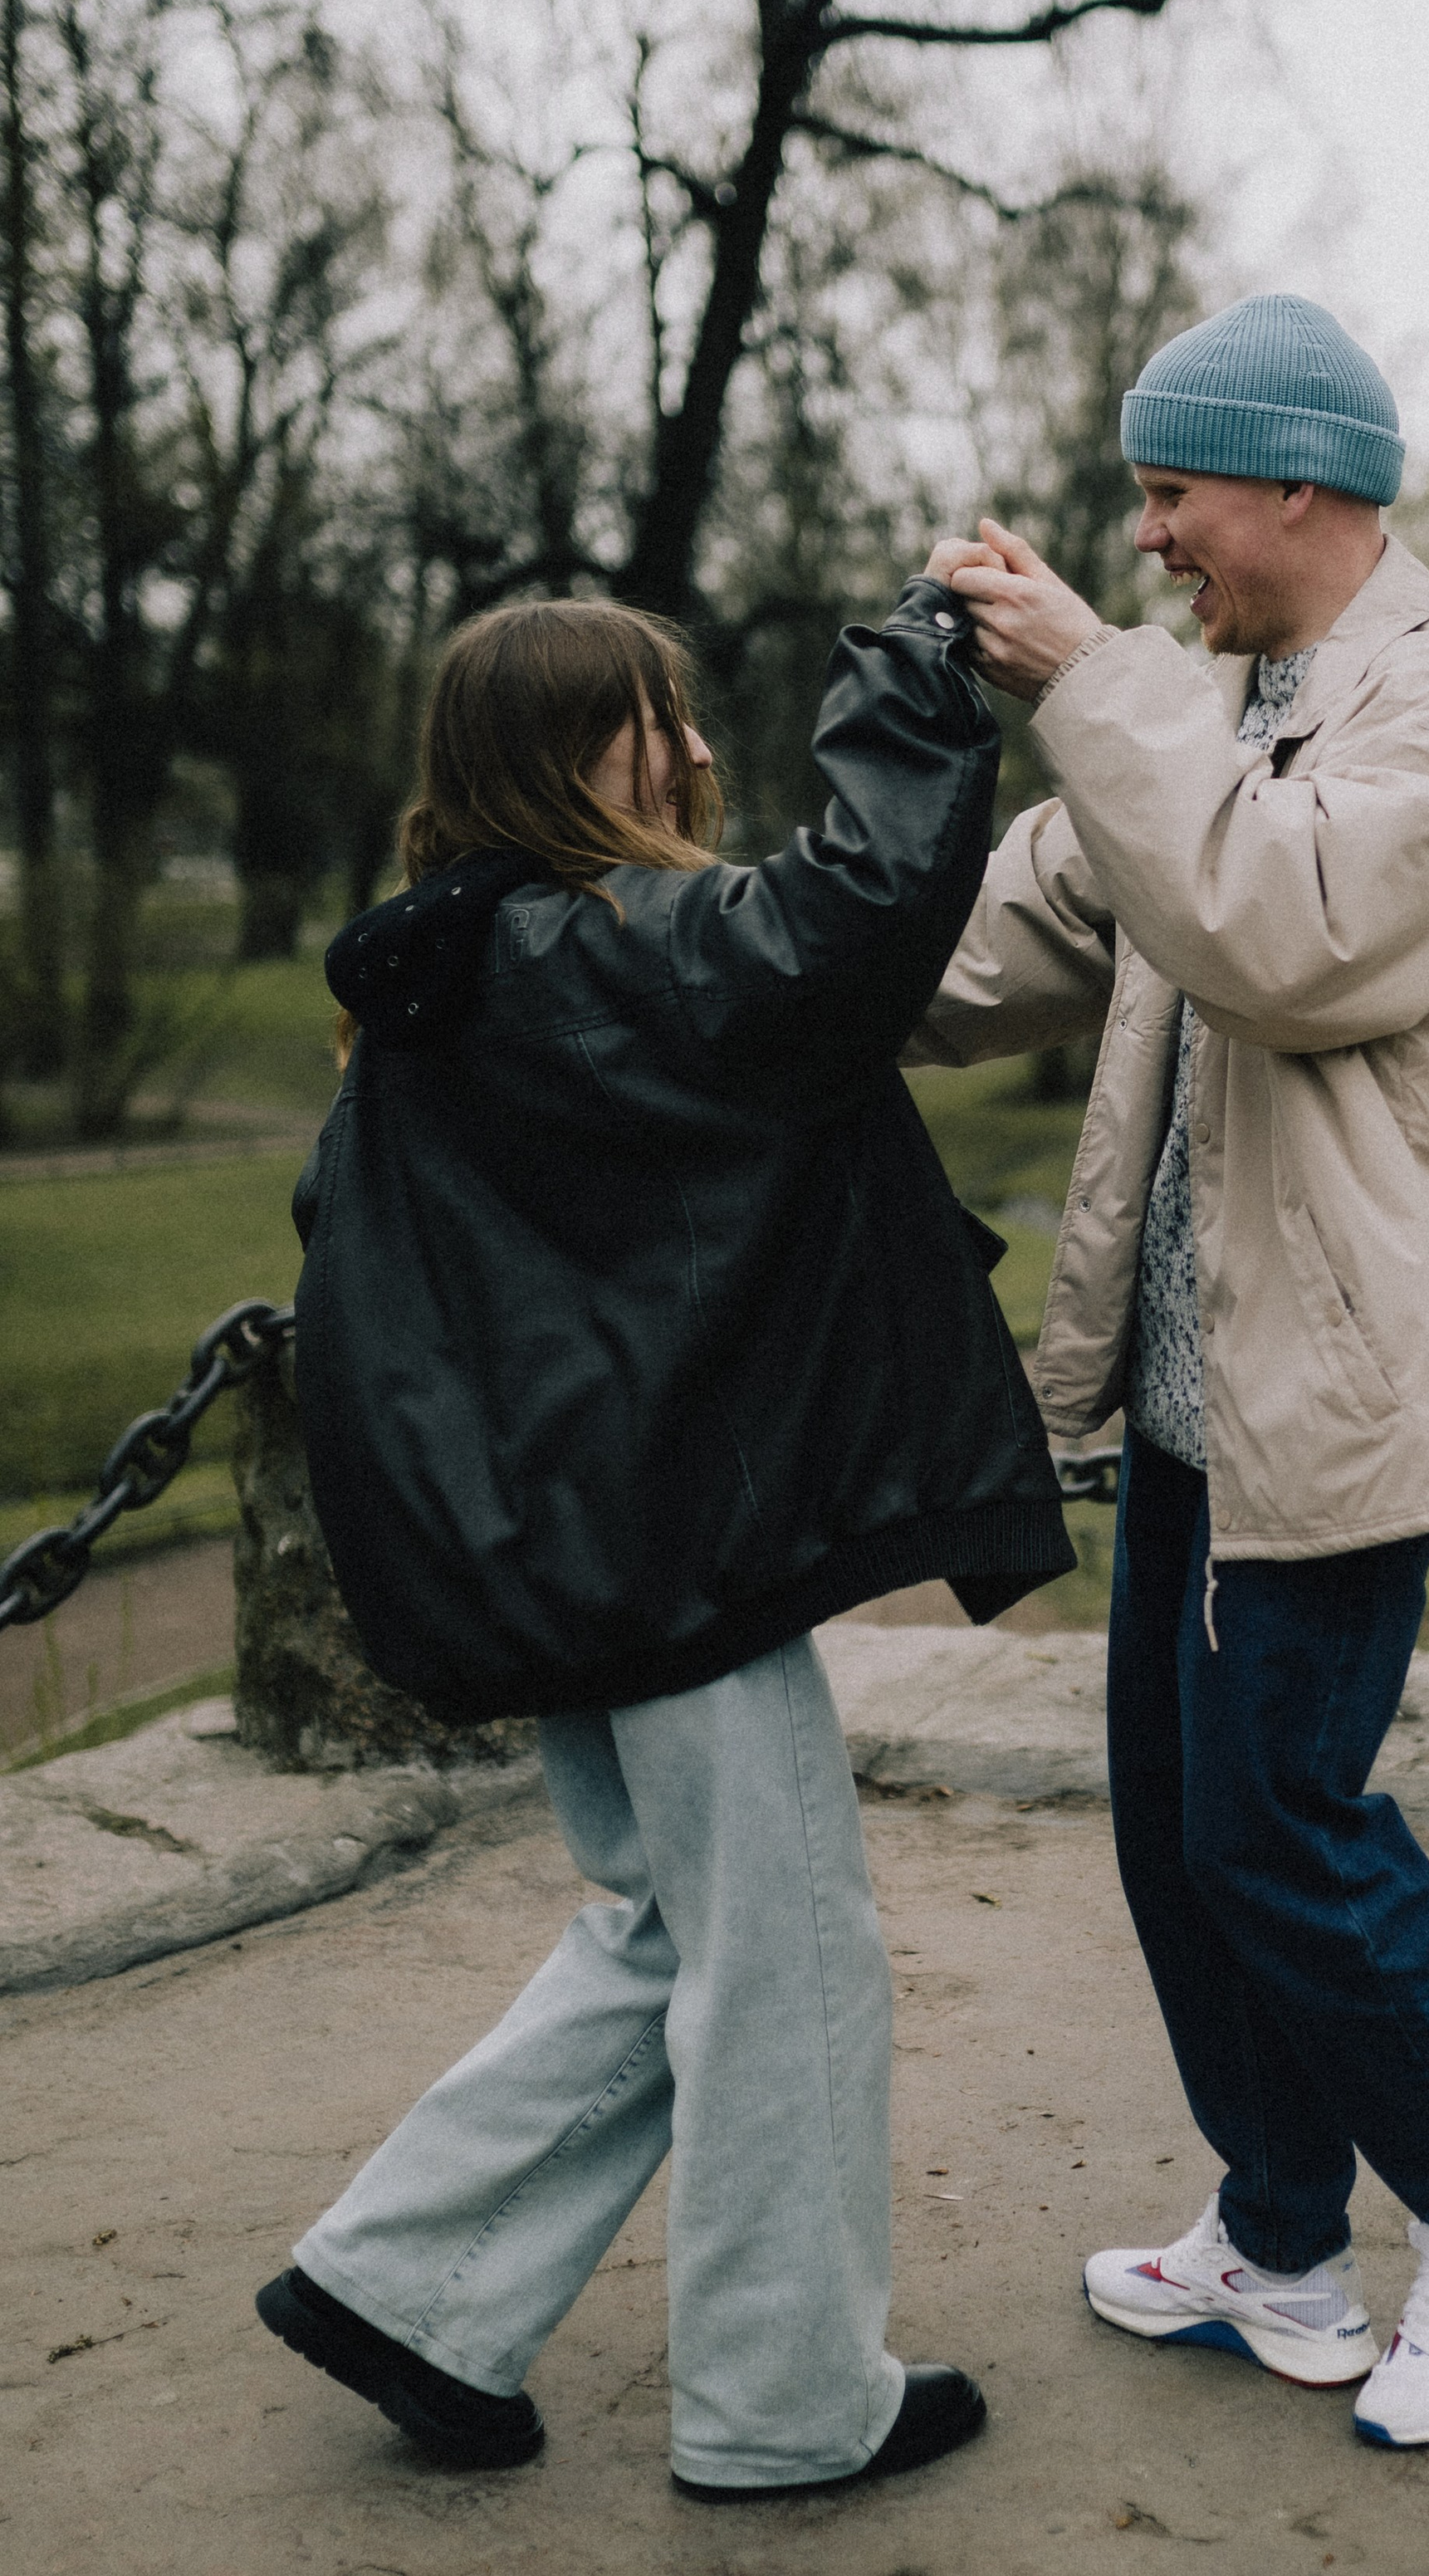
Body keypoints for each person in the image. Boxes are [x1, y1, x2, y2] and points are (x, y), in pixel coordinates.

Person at [256, 585, 1073, 2501]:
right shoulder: (596, 948)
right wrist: (912, 675)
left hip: (559, 1542)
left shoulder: (435, 980)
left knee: (667, 1928)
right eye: (659, 724)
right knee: (783, 1958)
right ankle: (788, 2405)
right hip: (664, 1550)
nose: (698, 756)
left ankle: (410, 2287)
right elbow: (846, 925)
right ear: (563, 759)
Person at [915, 291, 1429, 2450]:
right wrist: (732, 951)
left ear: (1297, 479)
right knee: (1181, 1834)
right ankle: (1284, 2237)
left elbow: (1275, 928)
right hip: (1211, 1392)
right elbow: (1008, 939)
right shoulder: (1211, 694)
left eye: (1172, 492)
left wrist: (1093, 692)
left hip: (1350, 1395)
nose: (1148, 540)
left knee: (1285, 1833)